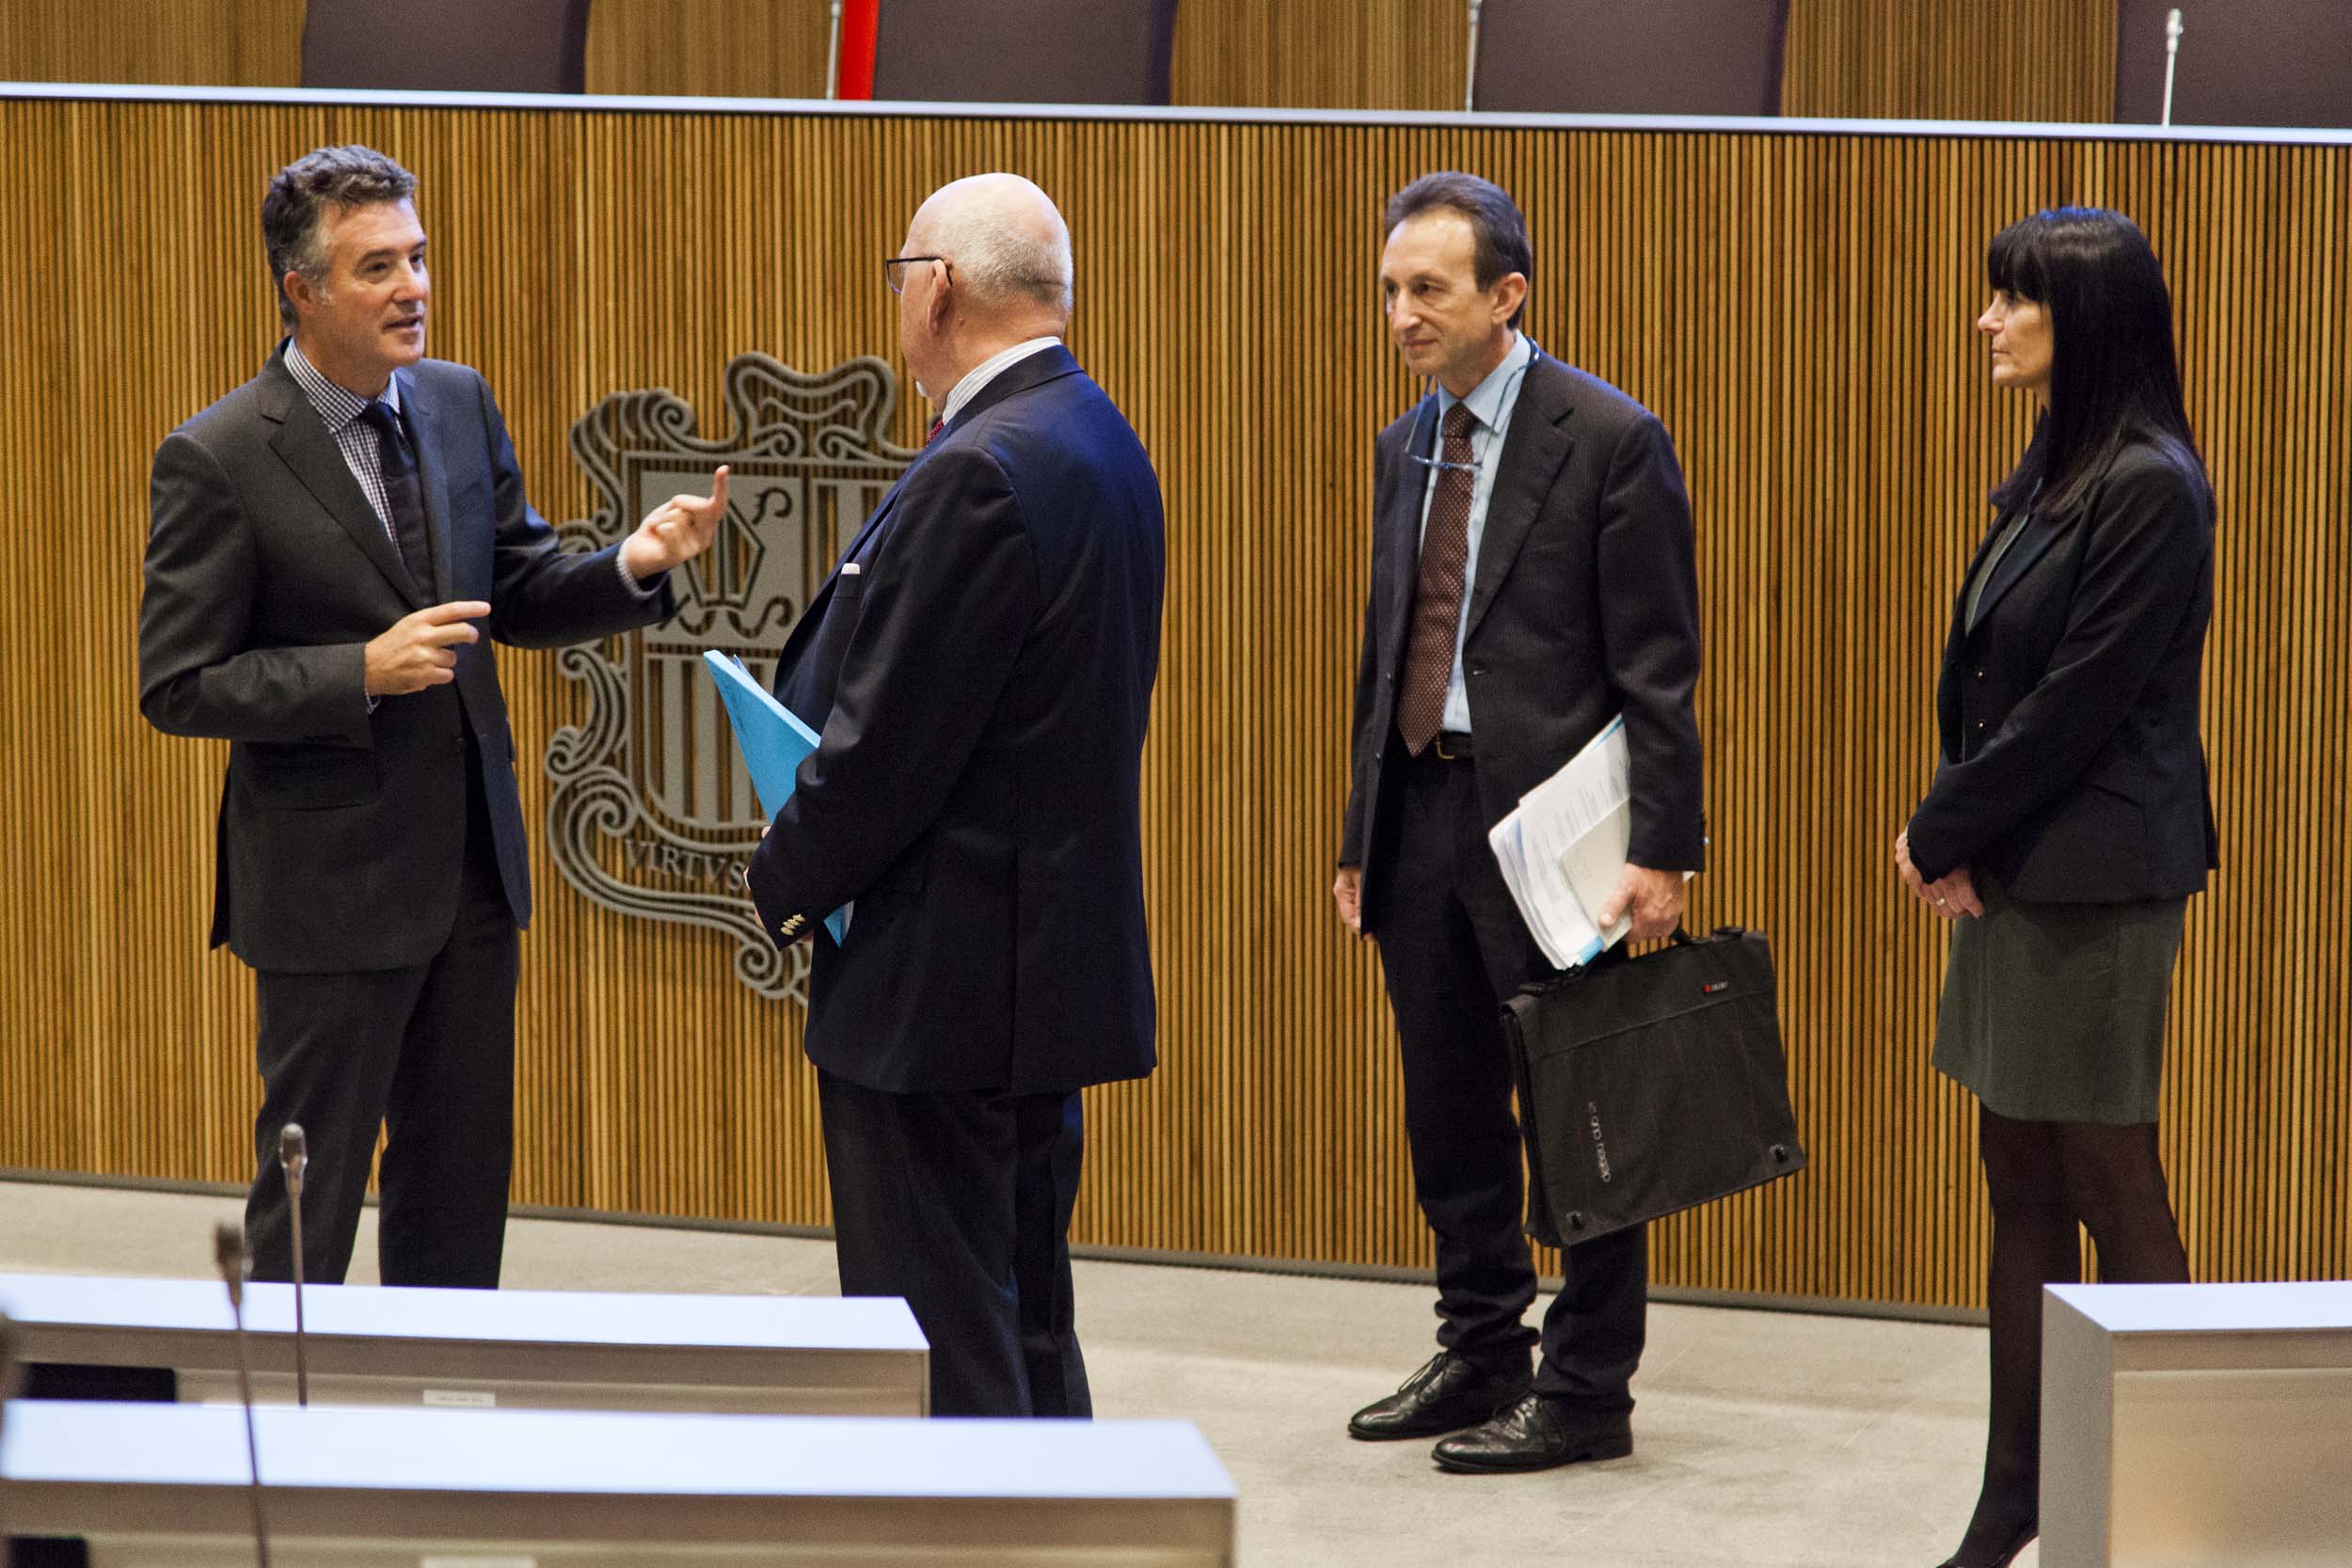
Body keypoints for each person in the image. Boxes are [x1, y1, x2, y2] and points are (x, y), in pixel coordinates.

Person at [139, 145, 723, 1290]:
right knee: (308, 1198)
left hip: (468, 876)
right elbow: (180, 682)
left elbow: (517, 588)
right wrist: (358, 669)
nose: (412, 287)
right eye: (377, 267)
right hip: (329, 890)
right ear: (303, 290)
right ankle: (292, 1397)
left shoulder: (456, 401)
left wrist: (633, 565)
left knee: (457, 1191)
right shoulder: (218, 456)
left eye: (417, 257)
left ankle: (430, 1392)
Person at [744, 173, 1165, 1418]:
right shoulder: (1098, 435)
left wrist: (781, 877)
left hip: (941, 986)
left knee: (940, 1346)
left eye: (900, 278)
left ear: (936, 289)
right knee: (1024, 1319)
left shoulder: (983, 465)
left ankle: (973, 1521)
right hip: (1032, 971)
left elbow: (890, 752)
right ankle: (1054, 1517)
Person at [1334, 171, 1705, 1473]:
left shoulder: (1608, 437)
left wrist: (1660, 850)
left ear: (1507, 295)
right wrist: (1360, 832)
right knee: (1448, 1104)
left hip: (1559, 831)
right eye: (1391, 289)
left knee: (1582, 1110)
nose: (1402, 313)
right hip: (1422, 810)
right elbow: (1389, 652)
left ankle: (1588, 1386)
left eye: (1428, 289)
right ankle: (1482, 1340)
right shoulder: (1406, 444)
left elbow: (1660, 667)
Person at [1896, 207, 2217, 1568]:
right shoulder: (2060, 469)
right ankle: (2017, 1492)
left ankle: (2182, 1497)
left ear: (2081, 321)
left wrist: (1940, 825)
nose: (1988, 320)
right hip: (2021, 868)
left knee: (2106, 1172)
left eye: (2013, 299)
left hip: (2093, 881)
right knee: (2017, 1169)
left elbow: (2077, 703)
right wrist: (1969, 835)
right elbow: (1993, 681)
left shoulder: (2150, 483)